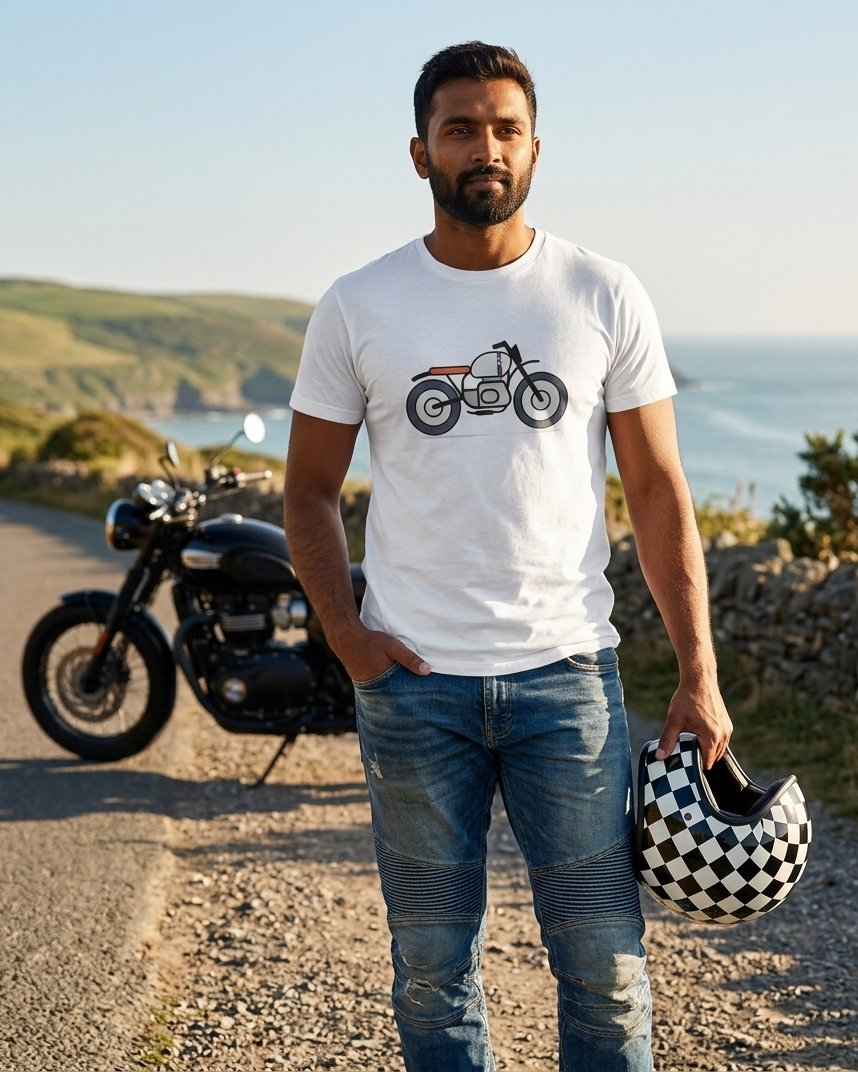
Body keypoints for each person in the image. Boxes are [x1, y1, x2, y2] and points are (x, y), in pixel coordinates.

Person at [284, 40, 732, 1072]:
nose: (483, 145)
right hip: (413, 688)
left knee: (605, 967)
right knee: (432, 969)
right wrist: (348, 637)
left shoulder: (603, 291)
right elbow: (306, 488)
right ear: (419, 151)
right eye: (459, 128)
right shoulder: (360, 304)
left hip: (566, 678)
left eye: (503, 127)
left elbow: (659, 491)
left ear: (535, 148)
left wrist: (699, 675)